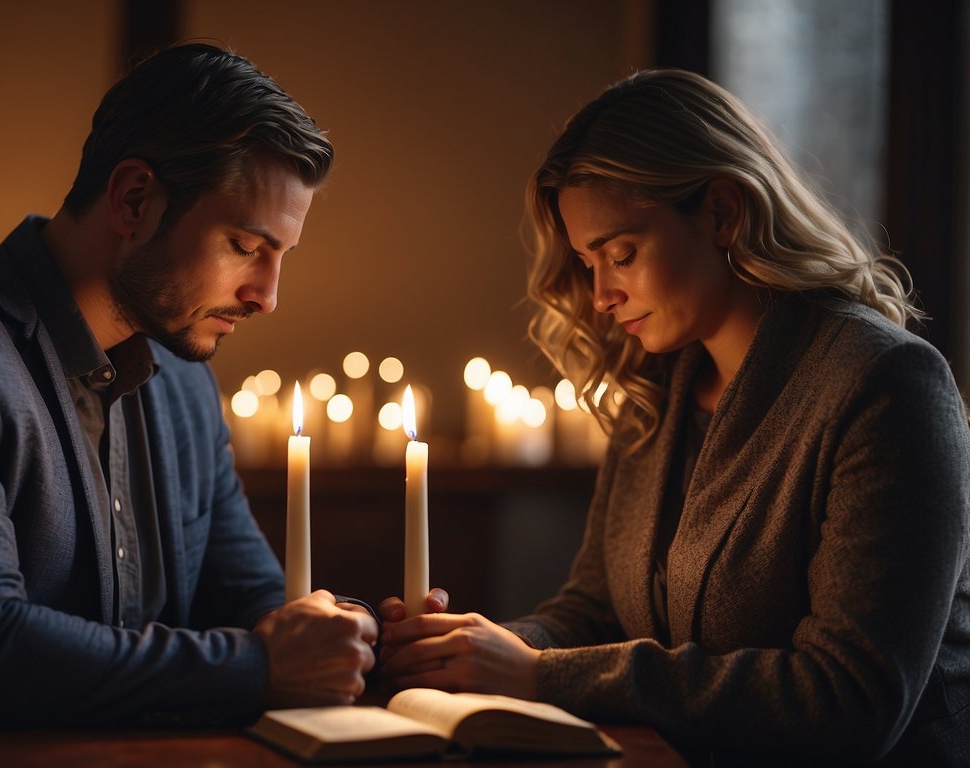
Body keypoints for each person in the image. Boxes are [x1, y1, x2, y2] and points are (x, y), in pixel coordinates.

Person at [0, 43, 378, 766]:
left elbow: (251, 599)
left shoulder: (184, 381)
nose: (267, 296)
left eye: (280, 256)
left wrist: (355, 639)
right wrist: (260, 667)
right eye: (245, 244)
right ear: (133, 199)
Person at [379, 68, 970, 766]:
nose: (600, 294)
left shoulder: (883, 383)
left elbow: (849, 698)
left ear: (723, 213)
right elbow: (594, 612)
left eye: (621, 254)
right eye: (586, 262)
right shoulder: (657, 384)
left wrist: (540, 676)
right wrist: (480, 650)